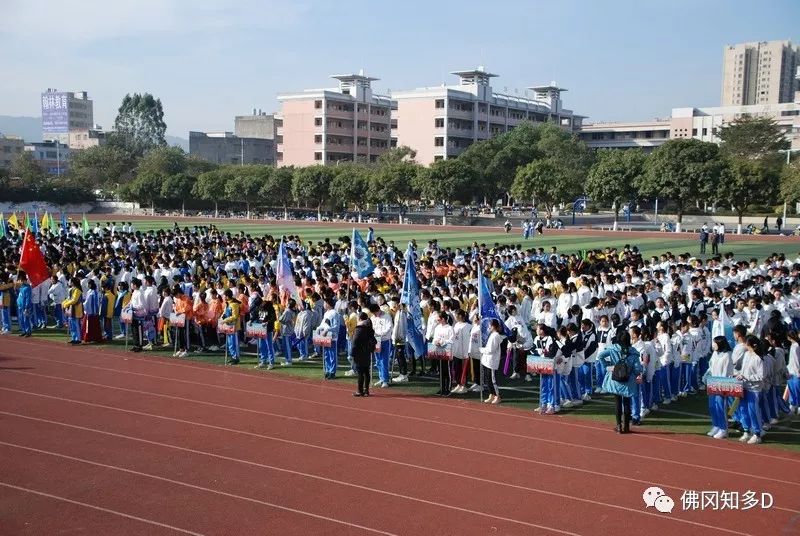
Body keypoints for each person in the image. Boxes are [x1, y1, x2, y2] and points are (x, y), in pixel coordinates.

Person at [597, 330, 643, 433]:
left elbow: (600, 356)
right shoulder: (633, 352)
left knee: (617, 402)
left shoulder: (613, 349)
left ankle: (618, 426)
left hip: (616, 379)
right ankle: (626, 426)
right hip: (628, 380)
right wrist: (637, 373)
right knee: (627, 403)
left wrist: (608, 367)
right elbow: (637, 369)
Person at [704, 336, 734, 439]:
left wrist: (723, 384)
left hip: (722, 383)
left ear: (720, 344)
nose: (713, 345)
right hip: (713, 382)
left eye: (714, 343)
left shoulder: (727, 355)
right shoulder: (715, 354)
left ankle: (723, 429)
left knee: (721, 406)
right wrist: (707, 375)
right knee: (712, 406)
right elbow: (711, 366)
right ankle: (716, 425)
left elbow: (727, 371)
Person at [737, 335, 765, 444]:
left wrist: (746, 377)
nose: (745, 346)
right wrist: (739, 375)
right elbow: (743, 370)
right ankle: (746, 431)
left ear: (752, 345)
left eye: (746, 344)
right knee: (743, 409)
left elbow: (761, 376)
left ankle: (757, 433)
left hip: (754, 389)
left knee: (753, 411)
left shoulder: (759, 358)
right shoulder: (746, 355)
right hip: (744, 387)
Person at [351, 312, 375, 397]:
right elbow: (374, 341)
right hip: (367, 353)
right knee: (366, 372)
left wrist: (352, 353)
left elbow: (354, 342)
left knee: (360, 372)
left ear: (360, 319)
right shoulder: (369, 328)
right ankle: (366, 390)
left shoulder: (359, 329)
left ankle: (360, 391)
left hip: (359, 353)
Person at [480, 319, 503, 404]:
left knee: (492, 380)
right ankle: (491, 394)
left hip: (492, 361)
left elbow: (491, 350)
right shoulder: (492, 334)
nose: (489, 327)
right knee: (487, 379)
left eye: (490, 325)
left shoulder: (496, 335)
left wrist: (481, 350)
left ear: (493, 326)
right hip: (486, 361)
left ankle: (497, 396)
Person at [219, 289, 241, 364]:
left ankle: (236, 358)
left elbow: (234, 316)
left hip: (234, 327)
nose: (223, 297)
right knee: (230, 343)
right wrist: (221, 318)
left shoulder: (234, 304)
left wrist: (224, 320)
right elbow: (224, 313)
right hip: (228, 326)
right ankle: (232, 356)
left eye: (224, 296)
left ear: (227, 296)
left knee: (234, 343)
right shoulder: (227, 304)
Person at [62, 277, 84, 345]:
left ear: (73, 283)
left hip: (76, 310)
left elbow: (74, 300)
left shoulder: (77, 290)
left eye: (70, 281)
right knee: (72, 325)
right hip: (71, 310)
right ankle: (74, 338)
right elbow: (69, 299)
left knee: (76, 324)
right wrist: (63, 303)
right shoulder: (71, 290)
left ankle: (78, 339)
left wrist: (66, 304)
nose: (69, 282)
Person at [15, 272, 33, 338]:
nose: (20, 282)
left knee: (26, 319)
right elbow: (20, 296)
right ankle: (24, 331)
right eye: (19, 280)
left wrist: (26, 307)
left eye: (21, 280)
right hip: (20, 306)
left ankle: (28, 332)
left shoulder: (27, 288)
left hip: (25, 307)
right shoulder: (21, 288)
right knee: (21, 319)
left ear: (24, 280)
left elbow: (28, 298)